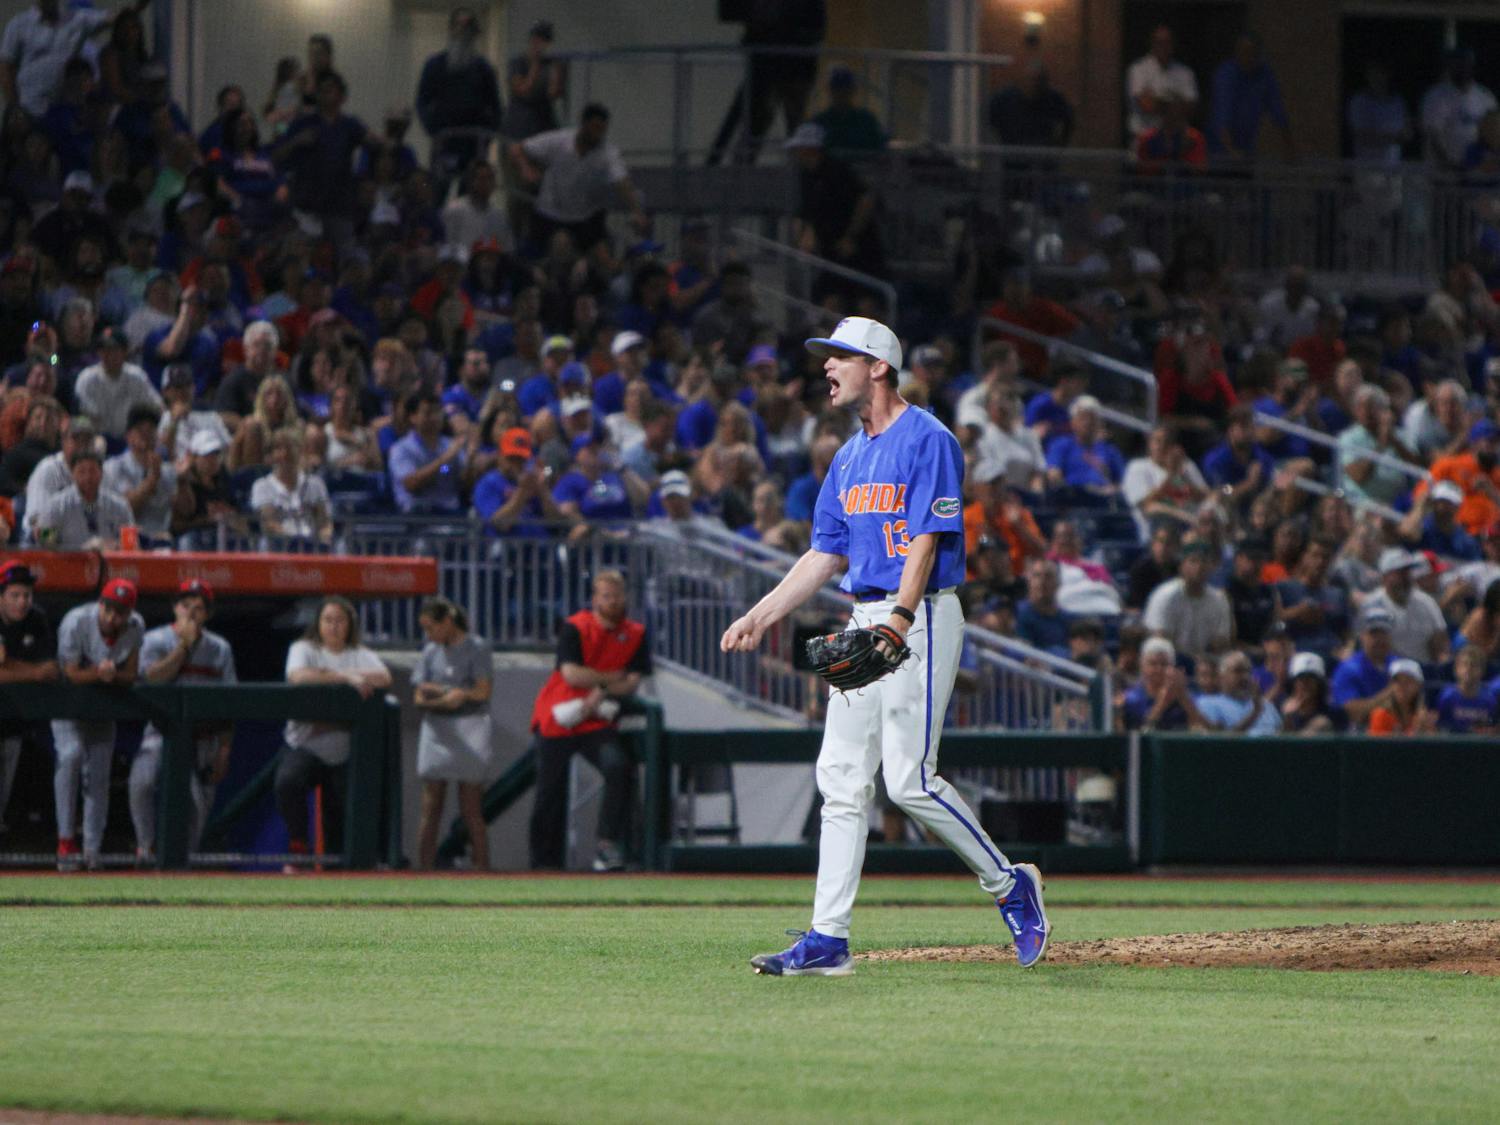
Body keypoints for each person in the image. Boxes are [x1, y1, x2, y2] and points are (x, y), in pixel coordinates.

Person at [718, 315, 1050, 974]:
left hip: (919, 612)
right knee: (840, 777)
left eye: (838, 356)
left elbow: (927, 537)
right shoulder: (848, 455)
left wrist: (898, 616)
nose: (826, 368)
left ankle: (1011, 884)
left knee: (909, 781)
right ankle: (828, 937)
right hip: (866, 612)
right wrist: (763, 611)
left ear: (877, 364)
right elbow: (825, 553)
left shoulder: (928, 437)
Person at [528, 570, 649, 873]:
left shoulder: (635, 633)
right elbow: (571, 674)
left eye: (616, 595)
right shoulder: (576, 627)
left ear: (624, 597)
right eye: (605, 595)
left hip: (597, 720)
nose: (611, 601)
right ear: (595, 599)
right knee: (549, 790)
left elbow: (632, 683)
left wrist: (602, 689)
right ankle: (544, 862)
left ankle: (608, 845)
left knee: (618, 766)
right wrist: (610, 679)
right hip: (561, 715)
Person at [275, 596, 392, 869]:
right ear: (318, 623)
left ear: (350, 624)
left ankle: (337, 878)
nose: (334, 626)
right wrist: (347, 678)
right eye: (328, 620)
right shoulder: (303, 647)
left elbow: (384, 678)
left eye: (340, 620)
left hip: (344, 751)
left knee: (340, 820)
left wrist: (347, 672)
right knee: (287, 782)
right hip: (305, 743)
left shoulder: (359, 653)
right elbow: (298, 676)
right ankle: (298, 846)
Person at [129, 579, 235, 865]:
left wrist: (224, 750)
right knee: (141, 783)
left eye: (199, 608)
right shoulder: (156, 640)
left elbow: (231, 703)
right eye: (186, 606)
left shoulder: (219, 648)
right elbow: (151, 679)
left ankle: (183, 862)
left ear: (207, 614)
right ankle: (146, 849)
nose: (191, 613)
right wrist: (183, 648)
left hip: (204, 739)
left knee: (197, 807)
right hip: (160, 732)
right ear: (175, 608)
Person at [53, 577, 143, 871]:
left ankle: (92, 850)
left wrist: (112, 676)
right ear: (100, 605)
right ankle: (66, 841)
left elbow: (130, 675)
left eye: (120, 611)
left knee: (100, 778)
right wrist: (100, 674)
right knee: (70, 756)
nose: (113, 616)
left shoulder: (135, 626)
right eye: (109, 608)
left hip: (102, 708)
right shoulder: (76, 622)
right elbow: (70, 673)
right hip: (68, 704)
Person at [412, 596, 493, 871]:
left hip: (470, 729)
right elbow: (419, 696)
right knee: (430, 806)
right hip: (437, 730)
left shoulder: (477, 647)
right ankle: (424, 871)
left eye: (431, 627)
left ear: (447, 622)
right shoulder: (429, 652)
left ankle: (482, 870)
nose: (428, 635)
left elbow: (482, 691)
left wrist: (460, 694)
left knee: (471, 808)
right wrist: (445, 697)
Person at [508, 103, 646, 254]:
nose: (598, 134)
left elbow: (622, 182)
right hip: (550, 212)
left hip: (585, 216)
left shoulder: (607, 153)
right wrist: (525, 169)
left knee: (602, 255)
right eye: (595, 128)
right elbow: (517, 148)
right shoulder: (559, 140)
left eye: (602, 130)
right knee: (544, 251)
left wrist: (636, 211)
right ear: (584, 124)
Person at [0, 0, 137, 118]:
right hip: (29, 108)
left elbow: (118, 17)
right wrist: (14, 107)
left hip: (64, 109)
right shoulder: (18, 25)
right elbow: (6, 68)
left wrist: (140, 5)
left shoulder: (77, 19)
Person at [416, 7, 502, 189]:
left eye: (469, 28)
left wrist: (487, 137)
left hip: (474, 145)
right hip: (444, 143)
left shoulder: (483, 68)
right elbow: (422, 100)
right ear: (451, 29)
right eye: (460, 27)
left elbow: (496, 106)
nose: (464, 33)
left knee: (470, 198)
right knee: (437, 194)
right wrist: (433, 129)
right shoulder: (435, 65)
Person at [0, 561, 57, 833]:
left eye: (27, 595)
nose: (22, 602)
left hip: (15, 723)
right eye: (15, 595)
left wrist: (9, 665)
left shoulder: (37, 618)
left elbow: (49, 671)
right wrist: (32, 671)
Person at [1207, 31, 1293, 159]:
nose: (1247, 57)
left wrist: (1289, 146)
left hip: (1246, 148)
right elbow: (1223, 112)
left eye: (1252, 52)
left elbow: (1277, 109)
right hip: (1218, 149)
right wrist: (1230, 150)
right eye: (1243, 52)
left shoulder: (1264, 74)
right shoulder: (1226, 74)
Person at [1142, 540, 1232, 661]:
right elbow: (1159, 641)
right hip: (1169, 662)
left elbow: (1221, 643)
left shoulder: (1218, 600)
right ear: (1182, 565)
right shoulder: (1165, 596)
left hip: (1205, 664)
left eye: (1204, 562)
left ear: (1211, 567)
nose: (1199, 567)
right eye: (1193, 561)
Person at [102, 404, 175, 546]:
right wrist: (152, 481)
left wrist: (184, 479)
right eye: (140, 430)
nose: (146, 435)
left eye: (151, 430)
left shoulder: (168, 470)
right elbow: (125, 510)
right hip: (125, 538)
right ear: (128, 436)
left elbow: (181, 512)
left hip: (161, 538)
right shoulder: (114, 467)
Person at [32, 446, 132, 549]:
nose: (88, 477)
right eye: (82, 471)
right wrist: (43, 536)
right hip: (70, 562)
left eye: (92, 471)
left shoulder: (119, 506)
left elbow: (130, 544)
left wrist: (113, 545)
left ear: (101, 473)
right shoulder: (56, 506)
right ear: (72, 473)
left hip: (109, 561)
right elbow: (45, 544)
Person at [1363, 547, 1449, 664]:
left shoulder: (1426, 602)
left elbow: (1440, 643)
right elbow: (1370, 647)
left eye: (1408, 572)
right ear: (1385, 577)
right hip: (1388, 670)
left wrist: (1444, 664)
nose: (1406, 577)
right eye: (1400, 573)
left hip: (1424, 671)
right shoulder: (1372, 604)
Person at [249, 430, 332, 545]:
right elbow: (269, 524)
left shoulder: (315, 484)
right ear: (271, 455)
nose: (285, 454)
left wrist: (323, 538)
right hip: (277, 549)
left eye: (290, 447)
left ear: (300, 451)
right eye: (278, 449)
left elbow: (324, 522)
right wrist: (297, 541)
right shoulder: (262, 486)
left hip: (312, 549)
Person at [1421, 47, 1497, 170]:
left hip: (1479, 172)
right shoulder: (1436, 96)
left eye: (1465, 63)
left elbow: (1493, 134)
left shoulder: (1485, 97)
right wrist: (1448, 164)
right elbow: (1432, 134)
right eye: (1457, 64)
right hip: (1445, 171)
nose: (1462, 68)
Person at [389, 392, 465, 514]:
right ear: (413, 417)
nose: (435, 417)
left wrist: (471, 458)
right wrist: (445, 459)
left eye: (438, 412)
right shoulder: (401, 449)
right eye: (428, 413)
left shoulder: (450, 444)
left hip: (451, 512)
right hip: (417, 515)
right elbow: (411, 484)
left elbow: (463, 482)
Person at [1126, 25, 1198, 143]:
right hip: (1144, 138)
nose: (1163, 46)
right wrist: (1176, 102)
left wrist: (1157, 101)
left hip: (1177, 142)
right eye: (1159, 42)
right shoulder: (1138, 69)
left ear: (1174, 44)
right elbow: (1147, 106)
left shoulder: (1185, 73)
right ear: (1151, 43)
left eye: (1167, 42)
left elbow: (1192, 108)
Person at [1330, 607, 1396, 728]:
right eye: (1374, 633)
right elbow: (1354, 713)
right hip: (1359, 738)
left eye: (1384, 633)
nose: (1380, 639)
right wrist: (1390, 693)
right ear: (1362, 636)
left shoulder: (1399, 665)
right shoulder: (1348, 669)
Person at [1193, 650, 1281, 736]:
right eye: (1238, 671)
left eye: (1248, 671)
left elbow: (1282, 734)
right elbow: (1220, 742)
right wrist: (1255, 713)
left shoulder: (1266, 704)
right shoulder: (1208, 703)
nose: (1245, 677)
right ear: (1221, 676)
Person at [1119, 636, 1193, 732]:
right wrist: (1162, 704)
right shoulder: (1130, 699)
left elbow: (1208, 731)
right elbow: (1141, 733)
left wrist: (1184, 699)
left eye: (1164, 664)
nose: (1159, 669)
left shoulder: (1186, 697)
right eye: (1153, 664)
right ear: (1142, 666)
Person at [811, 67, 886, 153]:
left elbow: (880, 146)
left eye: (846, 89)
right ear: (830, 91)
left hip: (862, 165)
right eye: (837, 90)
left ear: (853, 91)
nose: (841, 94)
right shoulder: (819, 122)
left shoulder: (866, 120)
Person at [1435, 645, 1499, 734]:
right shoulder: (1447, 698)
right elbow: (1441, 729)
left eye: (1474, 665)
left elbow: (1491, 729)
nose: (1468, 669)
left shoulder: (1489, 700)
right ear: (1456, 668)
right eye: (1464, 664)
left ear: (1482, 670)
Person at [1367, 658, 1434, 735]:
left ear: (1418, 686)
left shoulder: (1423, 717)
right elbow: (1380, 745)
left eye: (1408, 681)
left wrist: (1425, 729)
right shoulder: (1381, 715)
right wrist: (1416, 730)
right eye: (1397, 680)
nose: (1402, 685)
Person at [1281, 652, 1336, 734]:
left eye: (1311, 679)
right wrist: (1287, 719)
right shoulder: (1283, 709)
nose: (1305, 684)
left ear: (1319, 684)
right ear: (1293, 684)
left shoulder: (1333, 713)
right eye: (1301, 679)